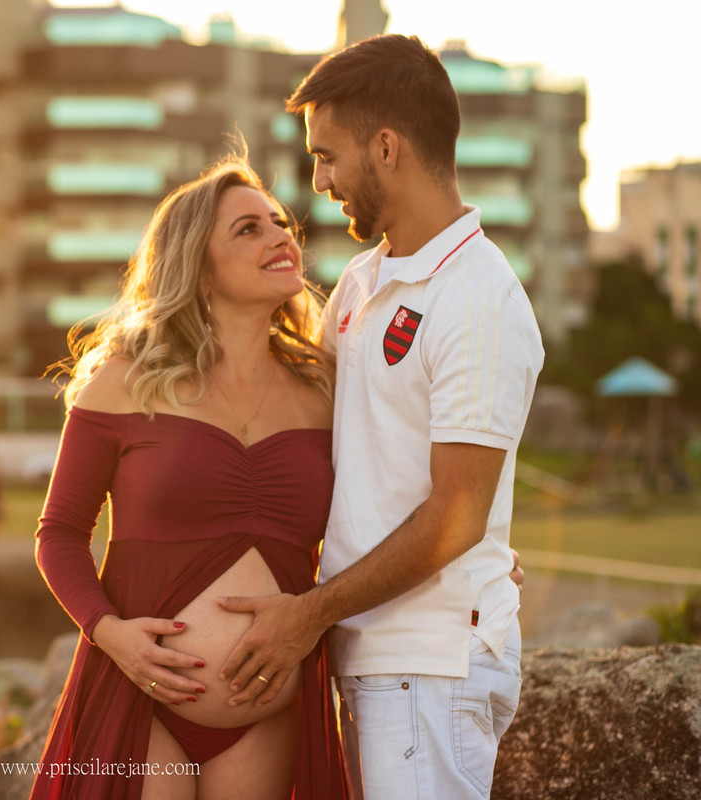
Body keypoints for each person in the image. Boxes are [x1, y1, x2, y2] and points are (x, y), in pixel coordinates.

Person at [214, 35, 545, 799]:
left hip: (430, 664)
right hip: (378, 658)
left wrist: (308, 615)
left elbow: (454, 517)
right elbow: (324, 438)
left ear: (387, 148)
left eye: (327, 156)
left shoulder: (479, 298)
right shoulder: (363, 283)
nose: (319, 181)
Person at [30, 152, 348, 799]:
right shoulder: (125, 381)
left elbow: (389, 502)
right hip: (140, 700)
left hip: (268, 715)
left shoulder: (325, 390)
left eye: (279, 223)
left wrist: (472, 551)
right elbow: (59, 533)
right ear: (199, 268)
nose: (280, 237)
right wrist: (110, 634)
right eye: (248, 229)